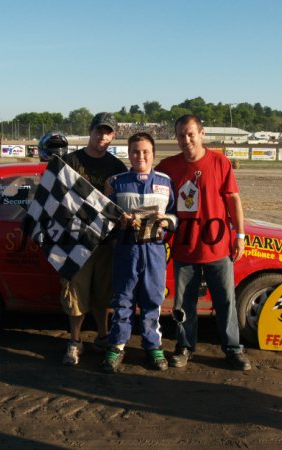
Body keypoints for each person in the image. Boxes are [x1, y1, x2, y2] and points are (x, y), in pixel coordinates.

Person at [155, 114, 251, 371]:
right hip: (184, 248)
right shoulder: (167, 167)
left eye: (190, 134)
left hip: (217, 247)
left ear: (202, 133)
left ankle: (233, 349)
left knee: (225, 302)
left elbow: (233, 200)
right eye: (180, 135)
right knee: (183, 304)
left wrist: (240, 235)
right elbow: (151, 192)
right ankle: (185, 346)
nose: (186, 140)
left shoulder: (220, 162)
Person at [100, 132, 176, 373]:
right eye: (135, 151)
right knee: (123, 299)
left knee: (152, 299)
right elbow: (105, 217)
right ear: (129, 153)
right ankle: (117, 345)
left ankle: (152, 345)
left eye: (145, 152)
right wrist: (119, 222)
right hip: (126, 249)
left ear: (153, 154)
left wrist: (166, 220)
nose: (140, 156)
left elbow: (176, 217)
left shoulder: (165, 182)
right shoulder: (117, 182)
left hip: (154, 250)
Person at [60, 112, 128, 366]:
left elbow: (123, 205)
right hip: (75, 241)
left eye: (108, 131)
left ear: (113, 136)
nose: (102, 135)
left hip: (106, 243)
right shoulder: (70, 161)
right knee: (75, 295)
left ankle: (103, 336)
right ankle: (74, 341)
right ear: (90, 131)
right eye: (99, 130)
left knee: (103, 295)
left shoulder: (117, 168)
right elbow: (56, 199)